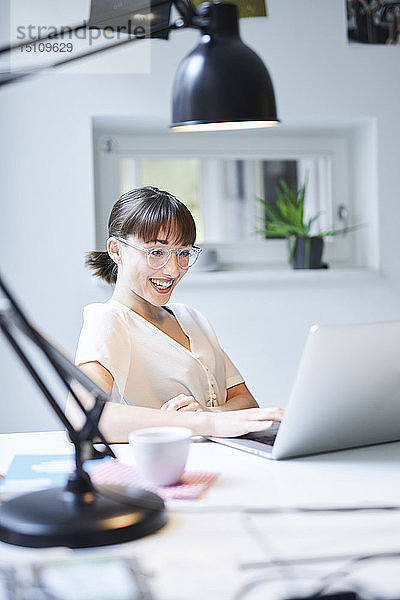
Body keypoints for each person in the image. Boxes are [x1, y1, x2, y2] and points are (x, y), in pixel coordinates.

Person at [66, 187, 283, 442]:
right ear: (116, 250)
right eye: (156, 252)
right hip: (165, 470)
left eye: (183, 253)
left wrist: (210, 415)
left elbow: (246, 403)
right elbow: (81, 417)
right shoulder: (110, 319)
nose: (172, 270)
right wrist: (200, 422)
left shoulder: (190, 319)